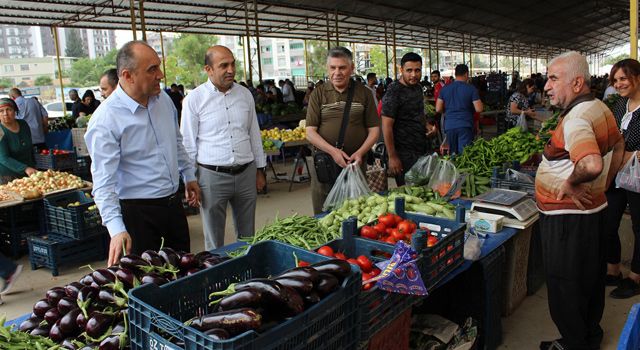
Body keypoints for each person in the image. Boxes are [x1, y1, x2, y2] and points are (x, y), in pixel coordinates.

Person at [535, 51, 624, 350]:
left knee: (565, 285)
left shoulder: (576, 119)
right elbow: (619, 144)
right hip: (591, 212)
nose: (546, 86)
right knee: (589, 281)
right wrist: (606, 183)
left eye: (552, 78)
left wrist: (572, 182)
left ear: (576, 83)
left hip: (567, 220)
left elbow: (591, 164)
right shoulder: (599, 107)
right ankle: (589, 338)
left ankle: (573, 344)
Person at [85, 40, 200, 266]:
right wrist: (117, 229)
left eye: (158, 66)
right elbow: (103, 182)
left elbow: (176, 141)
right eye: (152, 69)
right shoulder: (106, 120)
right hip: (138, 215)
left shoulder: (163, 100)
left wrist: (189, 175)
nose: (161, 74)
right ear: (127, 76)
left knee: (183, 270)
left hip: (173, 206)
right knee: (150, 282)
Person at [181, 45, 266, 250]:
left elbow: (253, 133)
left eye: (233, 64)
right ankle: (217, 274)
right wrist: (189, 179)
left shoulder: (245, 95)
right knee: (214, 238)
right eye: (223, 66)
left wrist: (260, 170)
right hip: (211, 177)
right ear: (208, 70)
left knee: (248, 236)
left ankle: (247, 273)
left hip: (246, 173)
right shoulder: (194, 99)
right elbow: (188, 143)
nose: (231, 70)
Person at [305, 47, 380, 214]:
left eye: (342, 68)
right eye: (333, 68)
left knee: (357, 211)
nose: (337, 72)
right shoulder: (318, 94)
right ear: (327, 68)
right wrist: (333, 152)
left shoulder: (364, 93)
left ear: (352, 68)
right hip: (325, 163)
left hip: (354, 163)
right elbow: (310, 132)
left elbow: (374, 130)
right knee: (324, 212)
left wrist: (361, 152)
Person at [604, 58, 640, 299]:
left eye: (623, 79)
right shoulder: (620, 106)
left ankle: (635, 277)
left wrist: (632, 154)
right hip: (616, 173)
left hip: (637, 177)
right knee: (607, 223)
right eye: (615, 80)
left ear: (637, 78)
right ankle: (613, 269)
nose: (618, 84)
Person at [381, 52, 427, 186]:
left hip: (420, 149)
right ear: (401, 70)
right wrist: (392, 156)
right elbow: (386, 126)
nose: (413, 75)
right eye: (409, 70)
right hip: (403, 154)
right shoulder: (394, 91)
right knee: (410, 193)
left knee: (423, 189)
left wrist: (427, 127)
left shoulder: (418, 88)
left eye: (417, 70)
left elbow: (419, 113)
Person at [435, 64, 483, 155]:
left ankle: (453, 168)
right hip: (465, 125)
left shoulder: (445, 89)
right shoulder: (471, 89)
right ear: (466, 74)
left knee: (453, 154)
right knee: (464, 156)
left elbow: (438, 109)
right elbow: (479, 109)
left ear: (455, 74)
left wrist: (447, 112)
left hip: (449, 126)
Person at [0, 98, 36, 184]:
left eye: (9, 109)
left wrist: (33, 165)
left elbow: (30, 147)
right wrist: (25, 168)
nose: (5, 114)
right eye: (1, 111)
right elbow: (3, 158)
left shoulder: (23, 124)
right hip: (8, 176)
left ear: (15, 110)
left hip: (29, 172)